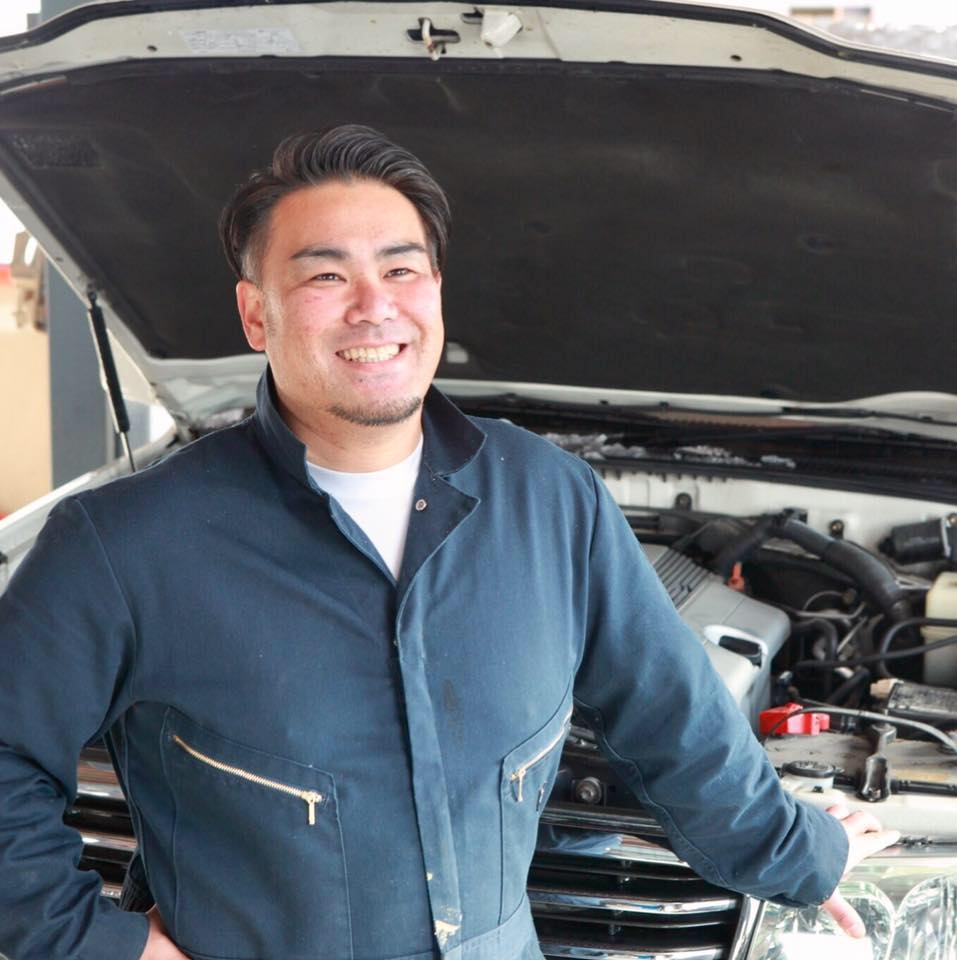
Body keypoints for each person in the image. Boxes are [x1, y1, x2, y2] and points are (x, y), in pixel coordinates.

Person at [0, 125, 897, 960]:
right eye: (324, 276)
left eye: (402, 269)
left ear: (434, 291)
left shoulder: (552, 500)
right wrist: (102, 945)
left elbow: (674, 720)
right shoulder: (123, 547)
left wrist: (798, 853)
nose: (373, 307)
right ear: (255, 314)